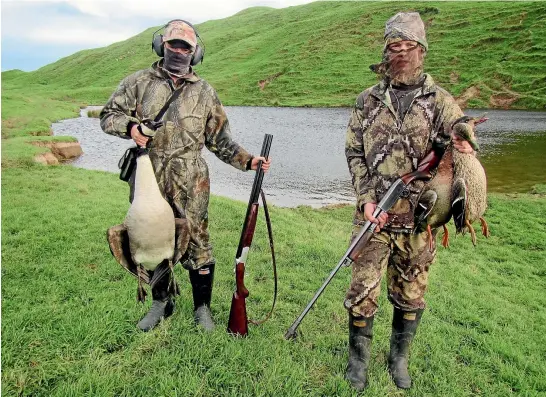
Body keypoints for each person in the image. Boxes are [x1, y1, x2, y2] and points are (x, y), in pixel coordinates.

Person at [100, 19, 270, 332]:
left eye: (185, 47)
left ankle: (202, 308)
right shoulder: (137, 82)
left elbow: (220, 139)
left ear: (195, 53)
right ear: (161, 45)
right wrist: (132, 128)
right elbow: (108, 116)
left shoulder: (205, 92)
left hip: (193, 181)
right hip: (149, 177)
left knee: (198, 241)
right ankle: (161, 303)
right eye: (173, 44)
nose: (179, 51)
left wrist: (248, 161)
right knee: (151, 241)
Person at [344, 12, 474, 390]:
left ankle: (398, 358)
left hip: (420, 219)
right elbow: (354, 152)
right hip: (374, 217)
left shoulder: (440, 100)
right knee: (361, 291)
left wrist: (464, 139)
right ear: (385, 51)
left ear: (422, 51)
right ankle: (358, 361)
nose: (402, 54)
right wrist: (367, 199)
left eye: (409, 47)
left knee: (410, 293)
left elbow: (460, 128)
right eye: (394, 47)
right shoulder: (366, 100)